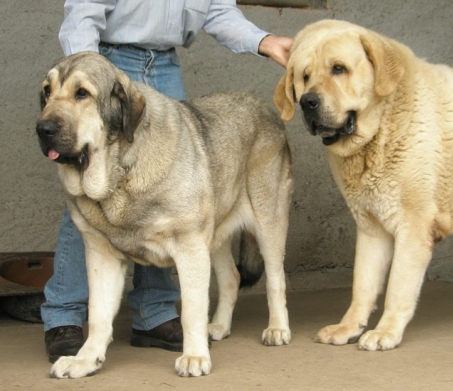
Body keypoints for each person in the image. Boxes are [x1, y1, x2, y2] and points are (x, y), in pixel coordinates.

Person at [42, 0, 293, 363]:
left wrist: (264, 40)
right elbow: (85, 8)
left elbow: (217, 10)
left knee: (168, 201)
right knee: (92, 201)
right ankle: (65, 316)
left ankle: (154, 314)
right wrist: (91, 71)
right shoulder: (95, 77)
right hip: (106, 63)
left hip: (164, 65)